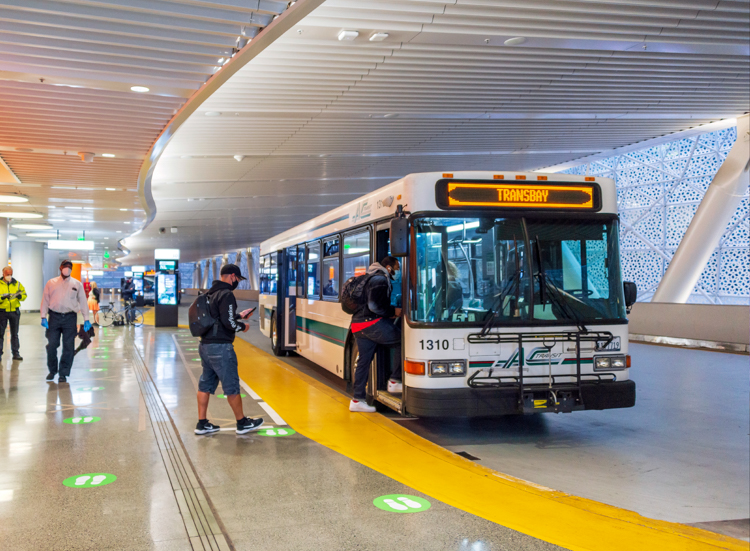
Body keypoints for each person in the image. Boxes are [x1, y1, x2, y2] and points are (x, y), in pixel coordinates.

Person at [195, 264, 264, 436]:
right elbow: (228, 323)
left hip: (205, 345)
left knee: (205, 384)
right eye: (239, 279)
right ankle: (242, 423)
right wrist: (243, 326)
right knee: (231, 386)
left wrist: (240, 315)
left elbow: (218, 318)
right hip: (221, 348)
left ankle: (202, 423)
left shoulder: (210, 293)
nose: (238, 282)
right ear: (232, 276)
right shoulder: (227, 294)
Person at [349, 256, 403, 413]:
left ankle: (357, 400)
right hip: (371, 323)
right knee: (402, 341)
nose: (398, 271)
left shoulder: (367, 276)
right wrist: (393, 312)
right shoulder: (380, 279)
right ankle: (394, 381)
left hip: (358, 325)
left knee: (363, 362)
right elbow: (375, 306)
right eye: (397, 267)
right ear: (389, 267)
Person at [41, 260, 91, 383]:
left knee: (68, 347)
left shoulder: (77, 284)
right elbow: (45, 300)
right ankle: (53, 370)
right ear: (60, 268)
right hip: (54, 317)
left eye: (69, 267)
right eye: (65, 266)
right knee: (52, 345)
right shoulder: (51, 283)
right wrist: (43, 316)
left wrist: (86, 319)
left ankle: (63, 373)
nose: (67, 269)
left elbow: (83, 302)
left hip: (70, 318)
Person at [0, 267, 27, 361]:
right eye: (7, 274)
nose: (9, 276)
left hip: (14, 311)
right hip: (2, 311)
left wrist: (20, 296)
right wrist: (2, 298)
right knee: (0, 333)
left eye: (10, 274)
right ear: (3, 273)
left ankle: (16, 353)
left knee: (15, 334)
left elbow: (24, 294)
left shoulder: (17, 284)